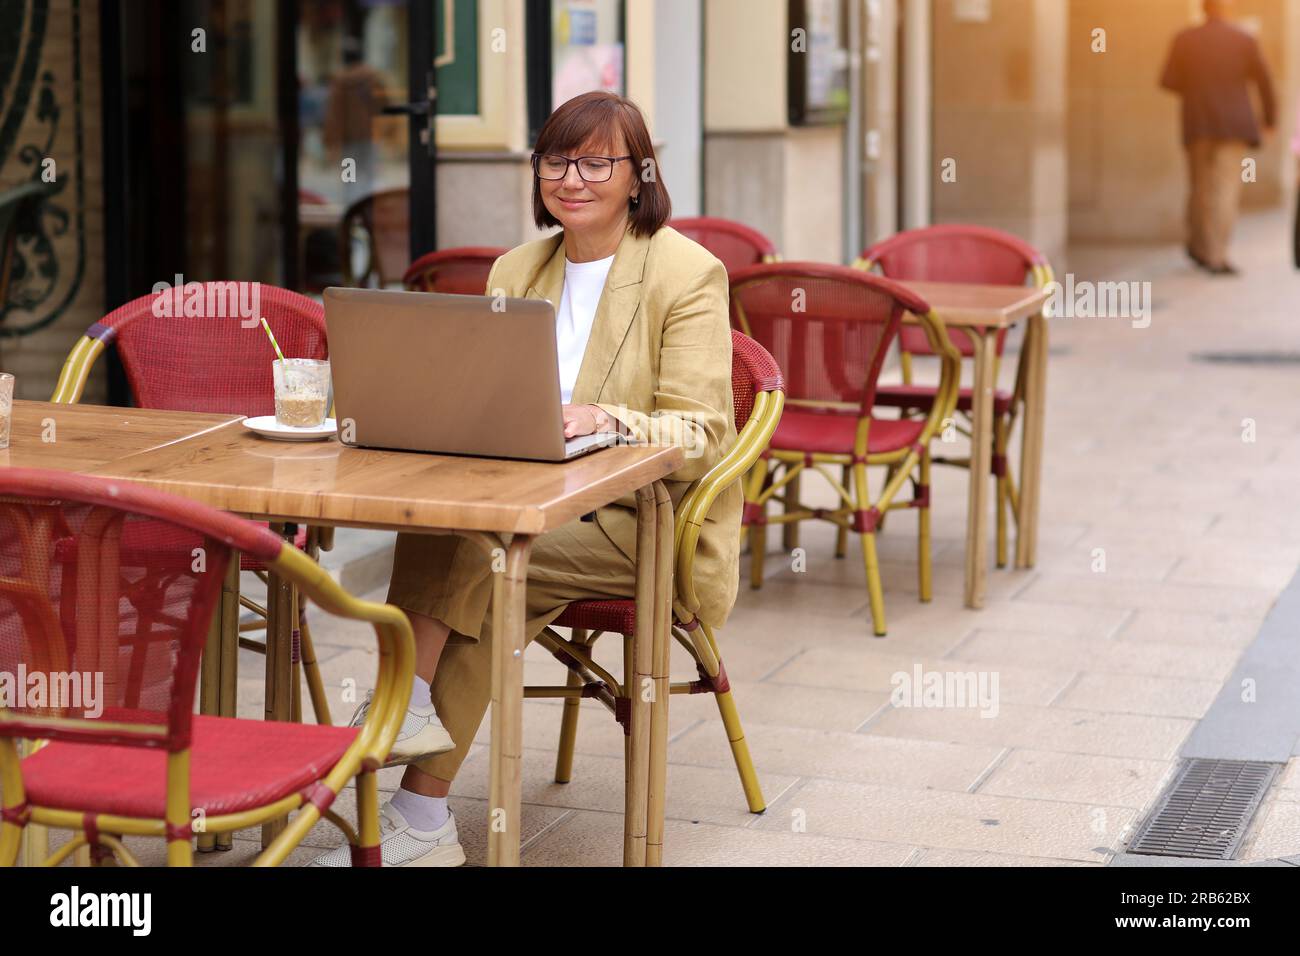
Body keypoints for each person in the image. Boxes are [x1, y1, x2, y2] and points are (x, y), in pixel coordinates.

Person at [310, 90, 740, 867]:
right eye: (554, 159)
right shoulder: (517, 268)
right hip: (531, 502)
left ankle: (406, 745)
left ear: (638, 176)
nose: (571, 177)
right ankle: (418, 808)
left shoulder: (687, 274)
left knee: (487, 554)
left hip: (643, 522)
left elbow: (705, 433)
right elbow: (491, 403)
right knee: (469, 537)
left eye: (595, 161)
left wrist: (608, 418)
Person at [1159, 0, 1276, 276]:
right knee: (1224, 191)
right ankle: (1216, 255)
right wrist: (1269, 119)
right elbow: (1264, 80)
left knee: (1200, 188)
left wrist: (1197, 85)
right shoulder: (1244, 39)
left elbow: (1168, 80)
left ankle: (1200, 247)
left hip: (1198, 122)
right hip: (1233, 125)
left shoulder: (1185, 39)